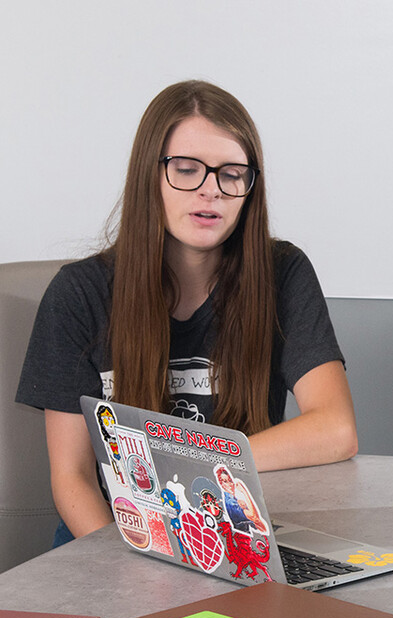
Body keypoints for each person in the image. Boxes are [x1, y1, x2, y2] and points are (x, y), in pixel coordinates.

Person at [17, 80, 357, 546]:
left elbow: (336, 429)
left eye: (231, 173)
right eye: (186, 169)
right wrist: (135, 562)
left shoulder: (283, 273)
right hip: (110, 537)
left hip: (230, 534)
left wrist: (200, 466)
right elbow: (72, 479)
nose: (210, 190)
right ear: (149, 176)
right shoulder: (79, 294)